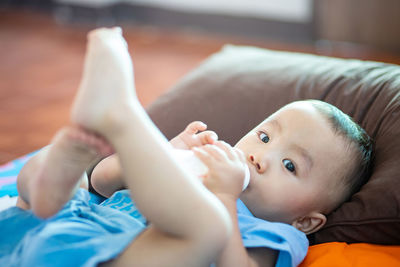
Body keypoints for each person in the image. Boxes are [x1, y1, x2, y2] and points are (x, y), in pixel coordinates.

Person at [7, 27, 372, 267]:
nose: (261, 158)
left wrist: (225, 199)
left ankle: (123, 117)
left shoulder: (278, 235)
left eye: (290, 165)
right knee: (63, 184)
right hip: (61, 227)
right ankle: (63, 166)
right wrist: (166, 157)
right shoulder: (194, 166)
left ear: (305, 221)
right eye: (264, 137)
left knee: (208, 229)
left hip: (117, 258)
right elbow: (103, 184)